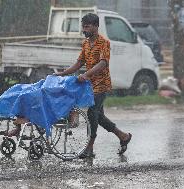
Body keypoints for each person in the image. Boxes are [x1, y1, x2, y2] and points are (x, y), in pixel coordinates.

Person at [55, 13, 132, 158]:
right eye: (83, 27)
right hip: (90, 85)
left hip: (101, 85)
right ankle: (123, 136)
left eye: (87, 26)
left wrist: (86, 75)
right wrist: (63, 73)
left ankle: (89, 148)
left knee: (92, 114)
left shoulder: (104, 43)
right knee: (99, 116)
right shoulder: (85, 43)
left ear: (96, 27)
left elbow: (103, 63)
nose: (84, 29)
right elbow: (79, 63)